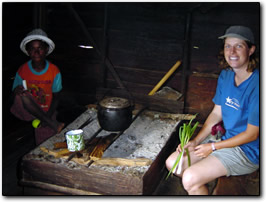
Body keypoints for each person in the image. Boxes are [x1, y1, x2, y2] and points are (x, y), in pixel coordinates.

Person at [165, 25, 259, 195]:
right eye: (227, 46)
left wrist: (214, 147)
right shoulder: (226, 75)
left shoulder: (258, 85)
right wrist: (195, 141)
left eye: (239, 46)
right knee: (174, 164)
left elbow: (252, 134)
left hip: (247, 151)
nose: (232, 52)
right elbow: (217, 113)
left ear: (251, 50)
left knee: (190, 178)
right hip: (224, 140)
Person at [10, 28, 65, 145]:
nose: (36, 52)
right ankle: (51, 123)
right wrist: (17, 90)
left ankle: (49, 122)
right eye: (32, 49)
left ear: (46, 50)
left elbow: (56, 97)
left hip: (47, 110)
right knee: (22, 95)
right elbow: (14, 91)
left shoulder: (54, 71)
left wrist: (48, 117)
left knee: (46, 145)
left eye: (39, 48)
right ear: (28, 51)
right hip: (27, 110)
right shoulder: (22, 70)